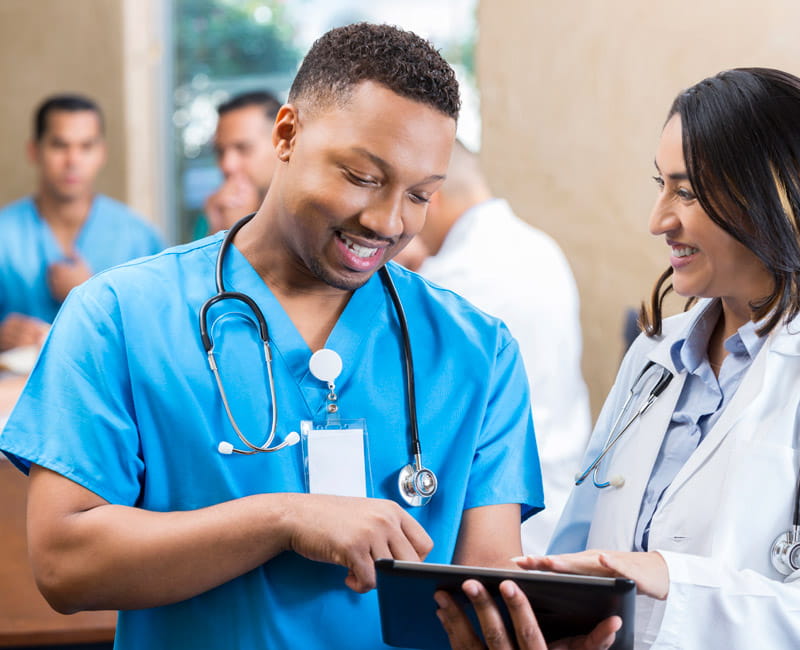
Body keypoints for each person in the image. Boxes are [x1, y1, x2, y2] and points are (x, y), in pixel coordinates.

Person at [0, 23, 542, 649]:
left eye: (420, 195)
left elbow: (485, 592)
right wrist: (283, 518)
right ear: (287, 135)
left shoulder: (478, 352)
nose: (388, 222)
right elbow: (65, 565)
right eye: (363, 177)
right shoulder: (119, 316)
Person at [436, 67, 800, 649]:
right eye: (661, 185)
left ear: (773, 198)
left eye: (686, 191)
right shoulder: (654, 359)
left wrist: (668, 581)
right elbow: (582, 562)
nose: (659, 219)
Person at [395, 140, 591, 555]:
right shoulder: (537, 246)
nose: (400, 221)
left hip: (504, 500)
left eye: (414, 198)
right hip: (560, 480)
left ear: (437, 195)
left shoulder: (453, 281)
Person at [0, 94, 164, 352]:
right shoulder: (5, 234)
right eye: (59, 145)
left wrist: (91, 297)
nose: (73, 161)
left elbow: (160, 336)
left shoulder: (138, 238)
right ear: (35, 151)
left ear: (102, 153)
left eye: (86, 146)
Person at [199, 90, 281, 237]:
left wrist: (238, 232)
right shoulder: (216, 213)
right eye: (220, 152)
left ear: (283, 144)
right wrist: (216, 233)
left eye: (244, 149)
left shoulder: (310, 215)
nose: (227, 165)